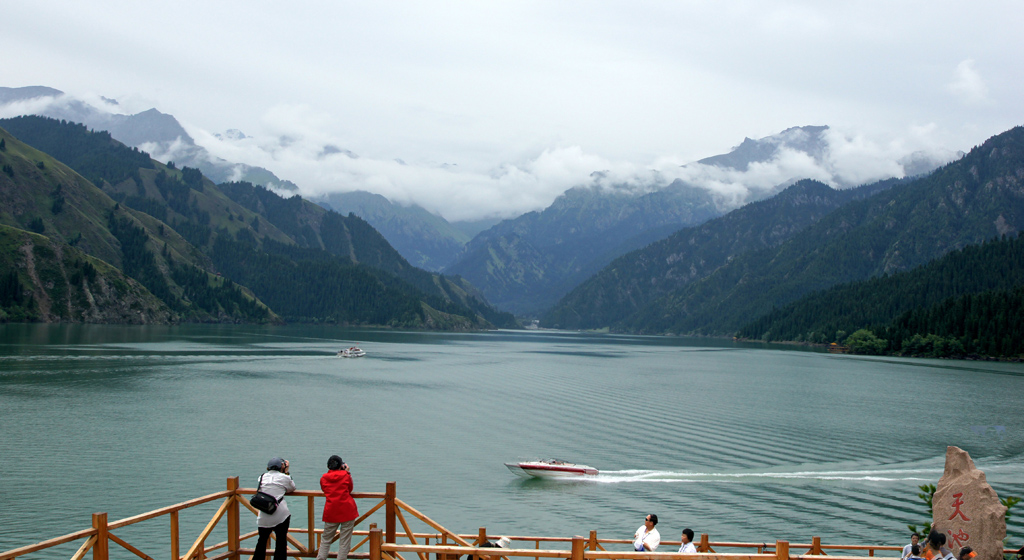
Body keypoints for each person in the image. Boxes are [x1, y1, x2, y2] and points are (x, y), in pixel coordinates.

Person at [316, 455, 359, 560]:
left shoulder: (324, 478)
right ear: (341, 466)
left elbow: (324, 489)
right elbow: (350, 489)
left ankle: (320, 558)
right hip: (347, 510)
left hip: (331, 511)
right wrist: (347, 472)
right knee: (344, 541)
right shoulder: (346, 475)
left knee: (326, 539)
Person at [254, 457, 296, 560]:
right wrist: (286, 472)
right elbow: (292, 488)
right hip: (280, 515)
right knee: (281, 542)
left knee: (262, 541)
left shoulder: (262, 477)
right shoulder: (285, 478)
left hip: (264, 514)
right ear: (282, 466)